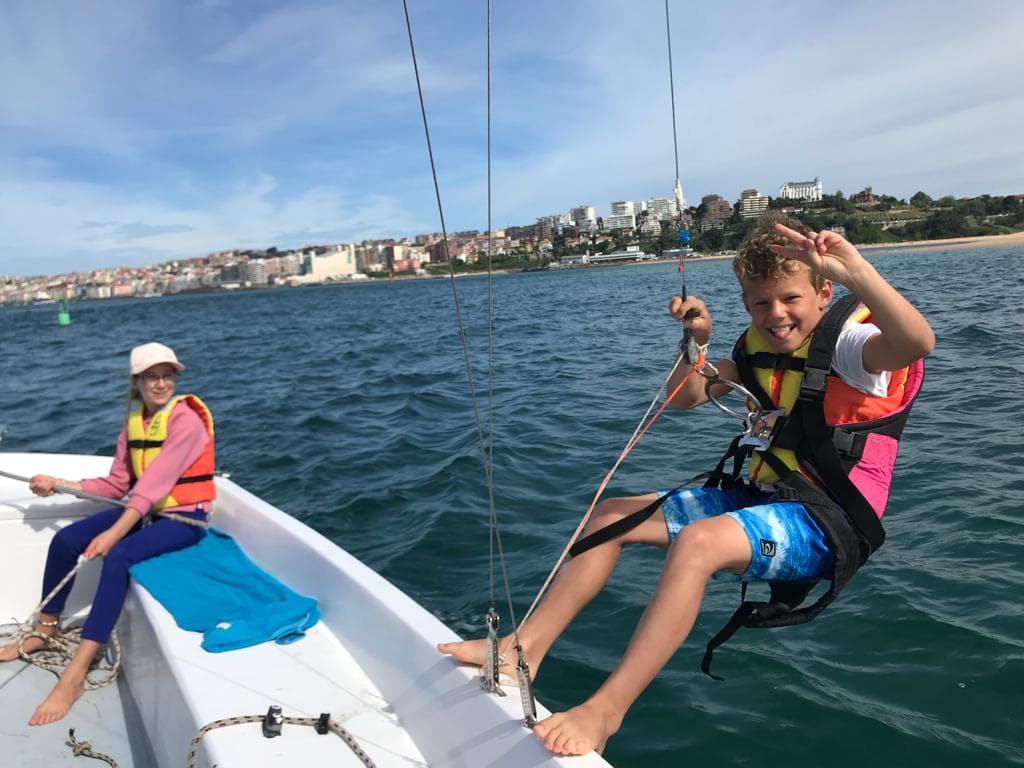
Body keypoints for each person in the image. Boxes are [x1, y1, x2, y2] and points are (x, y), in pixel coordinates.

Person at [438, 215, 935, 756]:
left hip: (826, 523)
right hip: (766, 498)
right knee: (610, 515)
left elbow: (916, 341)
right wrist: (697, 341)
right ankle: (520, 649)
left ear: (824, 290)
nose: (776, 315)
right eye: (759, 304)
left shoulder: (851, 347)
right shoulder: (756, 348)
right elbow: (683, 397)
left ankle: (606, 713)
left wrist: (857, 268)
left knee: (697, 544)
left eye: (790, 299)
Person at [0, 342, 216, 726]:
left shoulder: (186, 422)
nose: (162, 383)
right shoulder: (135, 422)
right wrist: (58, 483)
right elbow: (118, 484)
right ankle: (45, 631)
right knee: (65, 540)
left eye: (168, 375)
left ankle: (74, 676)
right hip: (144, 512)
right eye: (152, 376)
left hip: (185, 520)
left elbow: (155, 485)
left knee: (118, 557)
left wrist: (116, 533)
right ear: (137, 381)